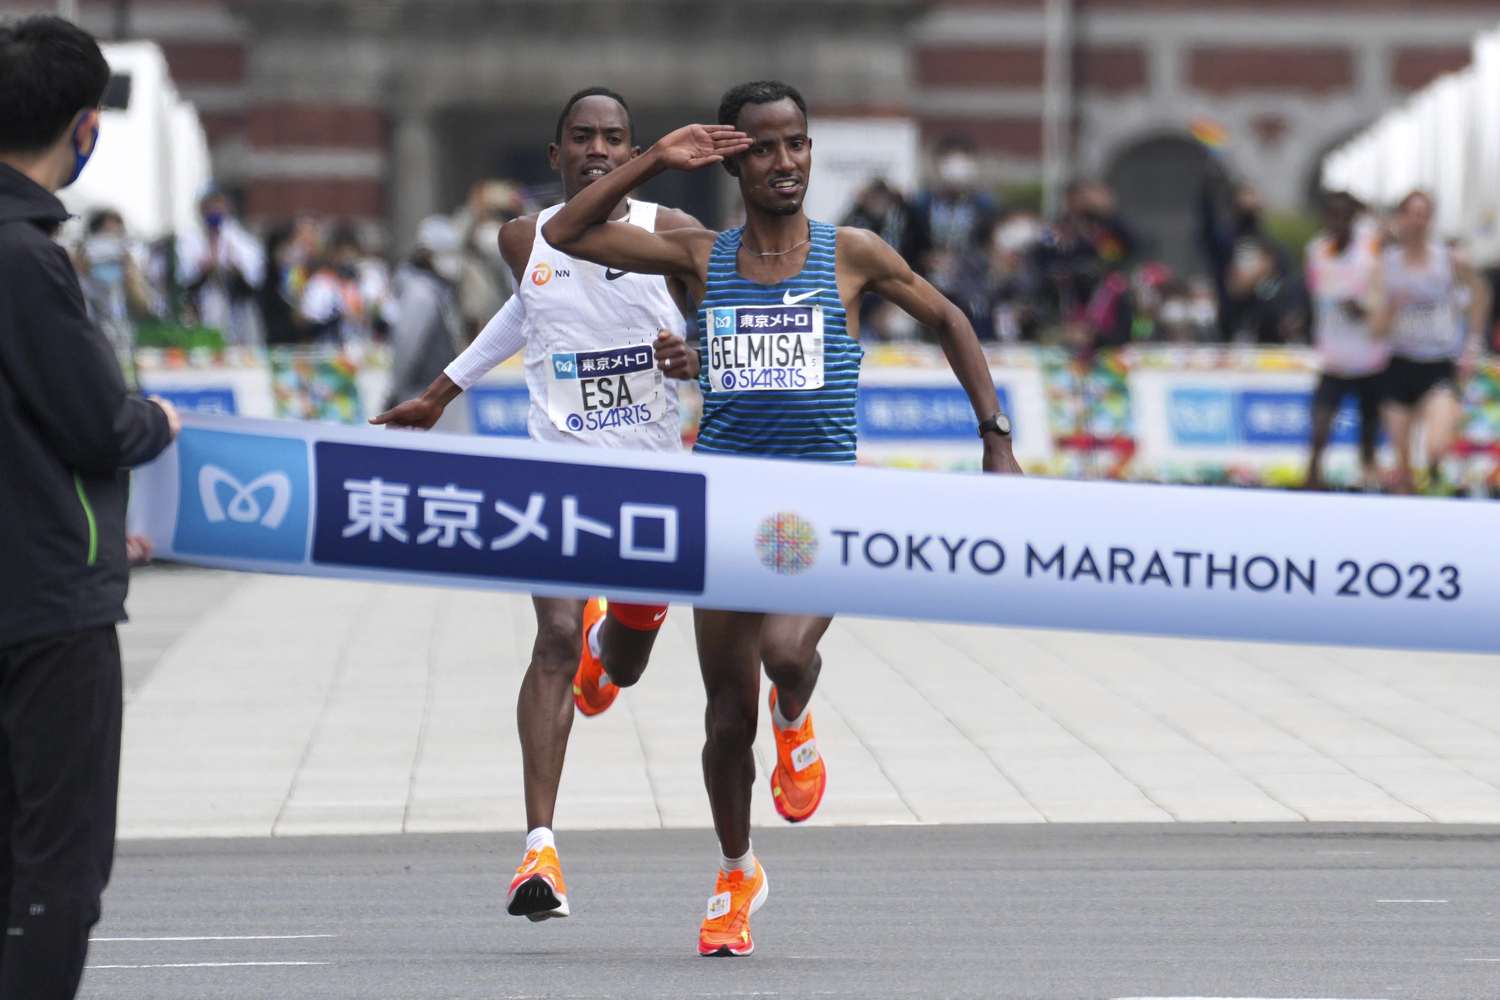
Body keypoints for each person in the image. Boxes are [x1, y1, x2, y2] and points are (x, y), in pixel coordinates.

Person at [543, 80, 1023, 957]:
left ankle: (796, 714)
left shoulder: (856, 254)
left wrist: (994, 435)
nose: (786, 162)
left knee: (785, 652)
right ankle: (737, 874)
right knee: (726, 720)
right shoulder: (700, 255)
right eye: (763, 147)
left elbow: (950, 317)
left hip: (817, 505)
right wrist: (656, 157)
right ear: (733, 157)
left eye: (797, 144)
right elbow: (564, 232)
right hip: (724, 509)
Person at [371, 88, 705, 922]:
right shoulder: (524, 236)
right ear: (554, 157)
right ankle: (539, 852)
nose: (600, 149)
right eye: (583, 139)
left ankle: (609, 643)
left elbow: (725, 332)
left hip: (651, 483)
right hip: (556, 472)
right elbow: (534, 300)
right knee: (551, 639)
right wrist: (440, 392)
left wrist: (690, 357)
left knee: (619, 665)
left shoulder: (672, 236)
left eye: (617, 139)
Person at [0, 17, 180, 998]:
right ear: (84, 129)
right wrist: (154, 418)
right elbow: (96, 428)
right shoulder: (26, 259)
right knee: (55, 871)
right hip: (44, 609)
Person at [1376, 191, 1492, 494]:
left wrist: (1473, 343)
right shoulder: (1387, 262)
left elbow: (1480, 293)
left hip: (1437, 363)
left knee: (1436, 447)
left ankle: (1436, 486)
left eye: (1424, 214)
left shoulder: (1445, 260)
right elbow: (1373, 314)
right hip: (1398, 362)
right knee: (1402, 466)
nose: (1418, 221)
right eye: (1411, 214)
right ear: (1401, 218)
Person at [1304, 192, 1386, 491]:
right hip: (1334, 357)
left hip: (1370, 357)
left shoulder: (1371, 247)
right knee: (1320, 431)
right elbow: (1316, 293)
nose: (1336, 221)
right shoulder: (1317, 249)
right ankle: (1311, 488)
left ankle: (1367, 488)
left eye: (1343, 214)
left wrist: (1365, 310)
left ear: (1354, 216)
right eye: (1331, 214)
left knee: (1368, 434)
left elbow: (1385, 289)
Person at [386, 215, 468, 408]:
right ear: (426, 255)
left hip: (437, 393)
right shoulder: (420, 294)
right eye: (445, 253)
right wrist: (396, 392)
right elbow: (407, 345)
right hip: (422, 392)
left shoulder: (438, 288)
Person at [175, 187, 265, 346]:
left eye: (218, 205)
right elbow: (184, 278)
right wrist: (204, 267)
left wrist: (234, 266)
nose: (214, 211)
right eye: (210, 206)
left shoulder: (241, 241)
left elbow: (254, 279)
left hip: (235, 312)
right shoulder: (190, 239)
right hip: (202, 309)